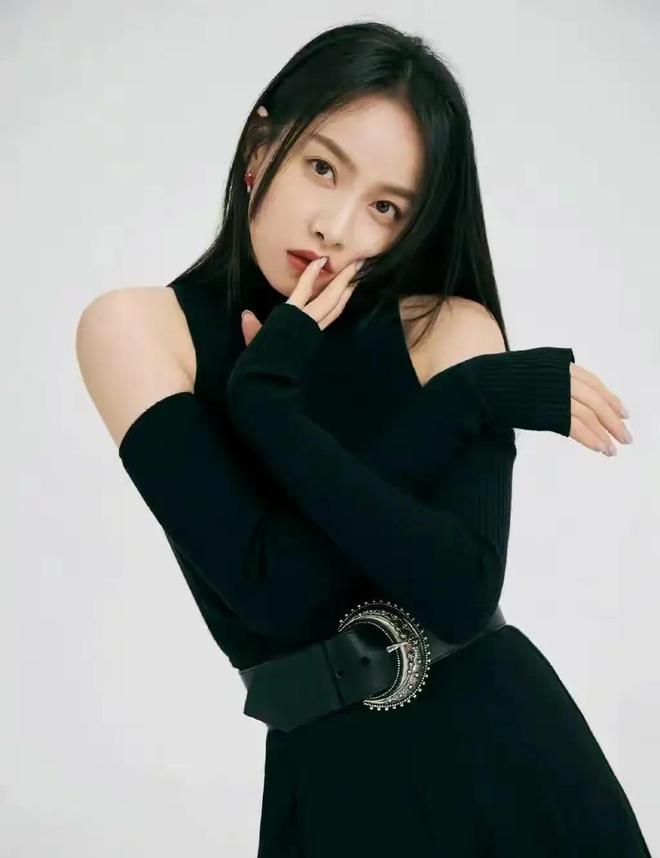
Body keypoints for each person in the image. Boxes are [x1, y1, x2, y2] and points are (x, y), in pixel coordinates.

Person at [75, 20, 651, 857]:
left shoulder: (446, 329)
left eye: (385, 207)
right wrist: (454, 404)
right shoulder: (139, 329)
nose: (336, 227)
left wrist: (282, 414)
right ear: (260, 149)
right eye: (322, 168)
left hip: (516, 762)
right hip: (333, 792)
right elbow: (273, 593)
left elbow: (460, 591)